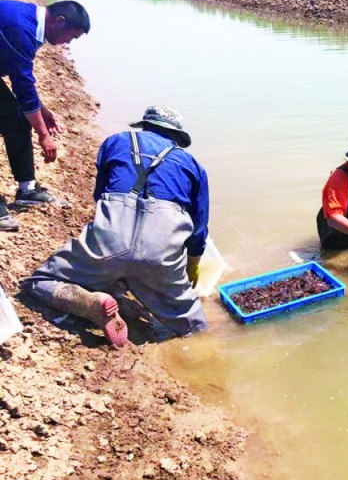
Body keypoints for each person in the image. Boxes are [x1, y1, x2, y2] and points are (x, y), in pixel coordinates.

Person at [20, 106, 209, 347]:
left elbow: (100, 195)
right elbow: (198, 229)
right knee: (196, 328)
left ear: (145, 126)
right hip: (159, 250)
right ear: (176, 137)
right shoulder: (192, 164)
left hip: (110, 236)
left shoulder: (116, 141)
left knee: (39, 282)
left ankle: (90, 304)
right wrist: (191, 267)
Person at [0, 0, 90, 231]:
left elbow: (24, 84)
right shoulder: (21, 28)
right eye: (71, 36)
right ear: (60, 21)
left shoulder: (30, 22)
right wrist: (43, 134)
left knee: (17, 118)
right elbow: (23, 87)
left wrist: (43, 111)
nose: (67, 43)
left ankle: (27, 190)